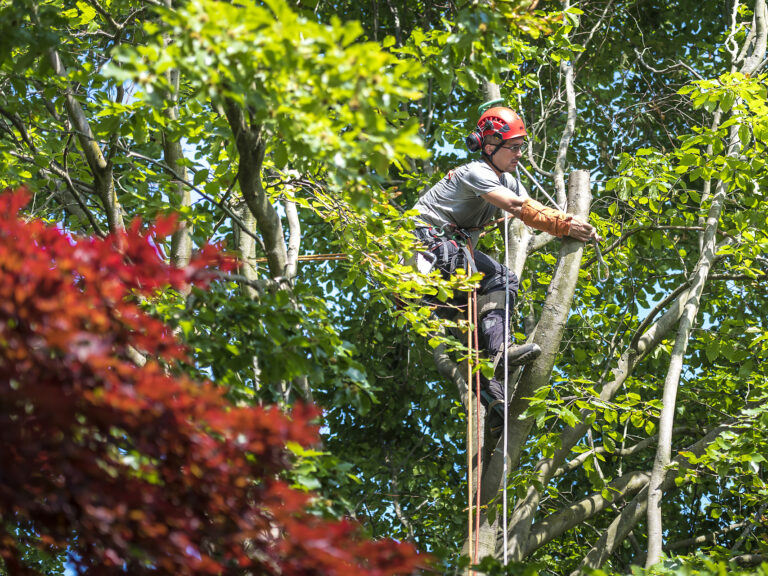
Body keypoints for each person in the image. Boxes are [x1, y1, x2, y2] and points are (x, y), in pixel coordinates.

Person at [411, 106, 600, 409]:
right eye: (513, 147)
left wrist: (574, 228)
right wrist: (565, 224)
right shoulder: (476, 172)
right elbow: (515, 206)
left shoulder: (507, 179)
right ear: (487, 146)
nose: (519, 154)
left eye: (521, 147)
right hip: (424, 247)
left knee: (497, 287)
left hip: (448, 257)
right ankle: (490, 352)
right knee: (476, 274)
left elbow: (528, 207)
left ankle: (495, 382)